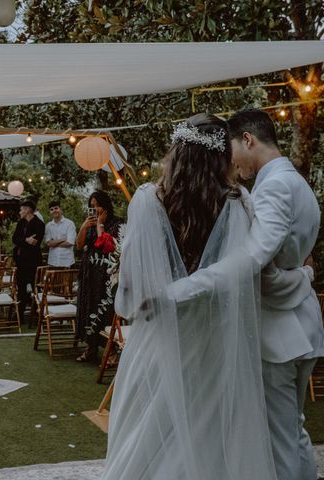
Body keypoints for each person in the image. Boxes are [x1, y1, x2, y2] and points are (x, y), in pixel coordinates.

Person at [102, 113, 299, 480]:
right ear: (221, 157)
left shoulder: (148, 201)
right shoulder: (239, 203)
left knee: (147, 440)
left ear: (176, 153)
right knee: (211, 440)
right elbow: (245, 275)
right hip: (216, 347)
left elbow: (128, 302)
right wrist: (303, 273)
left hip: (159, 345)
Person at [164, 109, 324, 480]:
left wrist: (182, 289)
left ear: (247, 140)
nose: (230, 162)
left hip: (279, 335)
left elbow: (252, 264)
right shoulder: (296, 182)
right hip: (300, 329)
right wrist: (306, 273)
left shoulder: (275, 187)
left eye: (231, 149)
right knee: (293, 435)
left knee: (279, 442)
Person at [74, 190, 120, 362]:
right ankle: (90, 348)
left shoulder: (116, 224)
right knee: (88, 307)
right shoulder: (89, 224)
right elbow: (79, 245)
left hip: (106, 273)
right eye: (91, 206)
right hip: (89, 272)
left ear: (105, 205)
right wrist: (84, 227)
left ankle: (111, 351)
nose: (94, 209)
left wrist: (100, 225)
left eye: (97, 205)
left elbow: (107, 247)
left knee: (106, 310)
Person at [12, 200, 45, 325]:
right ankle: (19, 316)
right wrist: (25, 240)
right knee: (21, 288)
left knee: (35, 287)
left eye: (22, 209)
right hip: (20, 261)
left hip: (33, 261)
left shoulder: (39, 224)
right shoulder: (21, 223)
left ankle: (38, 315)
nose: (20, 212)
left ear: (28, 210)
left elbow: (35, 242)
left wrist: (24, 241)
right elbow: (14, 239)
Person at [44, 200, 76, 268]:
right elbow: (48, 243)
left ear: (60, 209)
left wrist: (53, 243)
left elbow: (70, 243)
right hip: (52, 262)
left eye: (56, 208)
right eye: (51, 209)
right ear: (50, 212)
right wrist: (63, 239)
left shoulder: (70, 224)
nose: (54, 210)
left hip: (67, 262)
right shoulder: (48, 226)